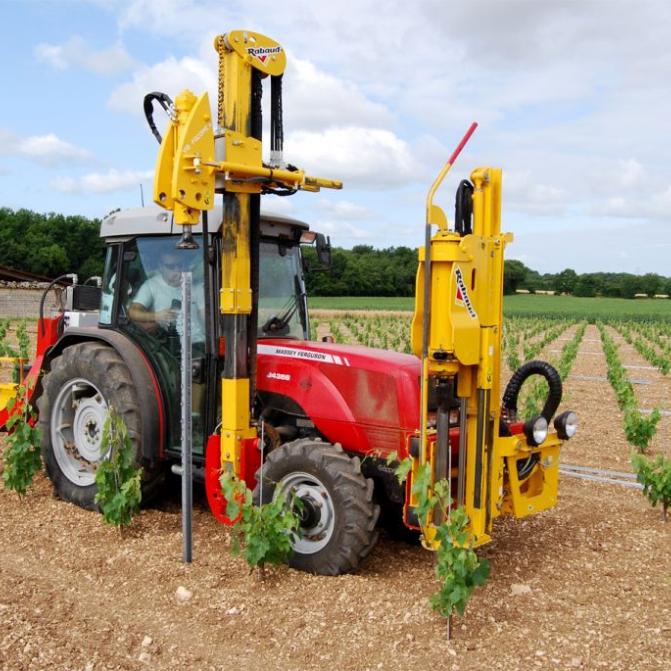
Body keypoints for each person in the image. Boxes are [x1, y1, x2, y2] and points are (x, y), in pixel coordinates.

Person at [129, 249, 205, 343]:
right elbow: (133, 312)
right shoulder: (151, 286)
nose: (177, 270)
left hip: (200, 344)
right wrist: (157, 316)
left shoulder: (196, 286)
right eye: (171, 266)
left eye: (180, 265)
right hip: (171, 349)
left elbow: (206, 319)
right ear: (161, 267)